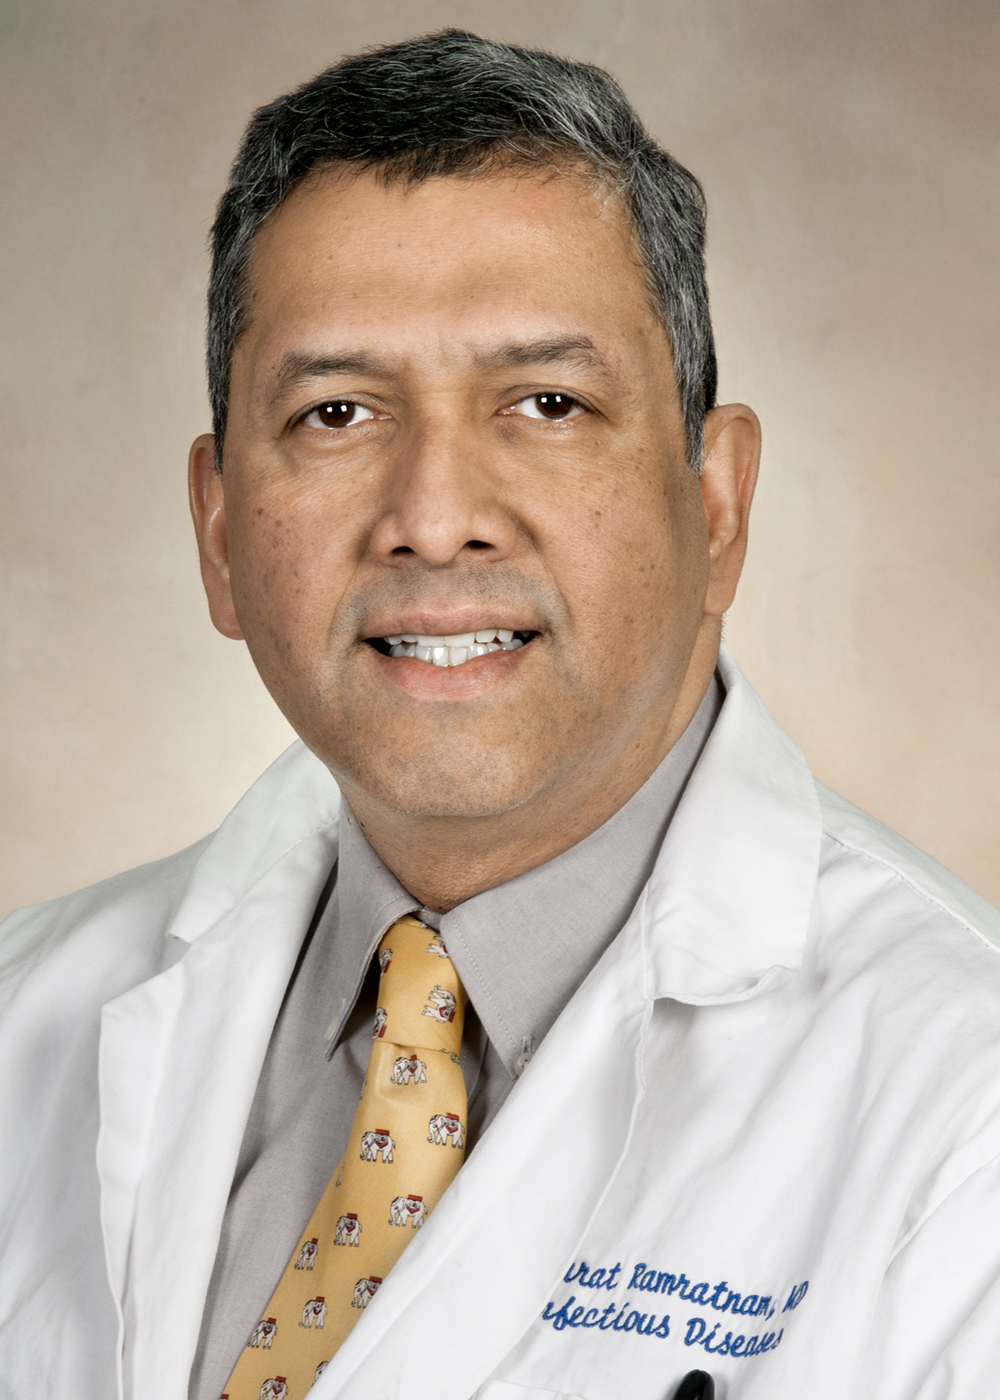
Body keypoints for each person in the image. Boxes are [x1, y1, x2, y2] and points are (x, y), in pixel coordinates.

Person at [2, 28, 1000, 1400]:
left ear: (716, 505)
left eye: (546, 402)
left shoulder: (964, 1114)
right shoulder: (24, 1020)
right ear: (219, 531)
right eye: (338, 413)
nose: (433, 518)